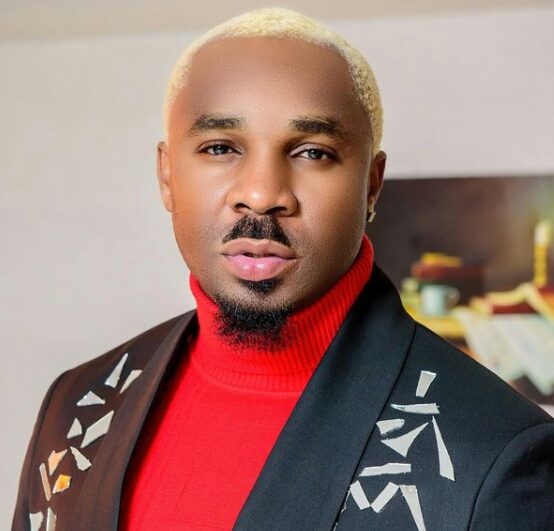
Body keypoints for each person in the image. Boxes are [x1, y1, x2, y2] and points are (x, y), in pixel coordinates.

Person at [12, 8, 554, 531]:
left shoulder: (497, 455)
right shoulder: (76, 405)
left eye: (313, 152)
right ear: (167, 176)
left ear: (371, 185)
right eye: (220, 147)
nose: (261, 193)